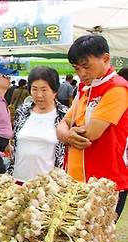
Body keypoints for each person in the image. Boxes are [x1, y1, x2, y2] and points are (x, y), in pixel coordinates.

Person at [56, 34, 128, 219]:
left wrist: (65, 133)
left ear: (105, 58)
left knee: (95, 241)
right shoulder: (85, 88)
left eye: (86, 66)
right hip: (77, 179)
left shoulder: (117, 89)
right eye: (76, 68)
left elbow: (90, 133)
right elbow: (63, 123)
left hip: (105, 182)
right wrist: (65, 133)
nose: (81, 73)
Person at [8, 67, 68, 183]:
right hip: (18, 181)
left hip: (49, 187)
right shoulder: (23, 111)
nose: (39, 95)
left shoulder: (64, 115)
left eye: (44, 90)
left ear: (55, 91)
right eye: (34, 89)